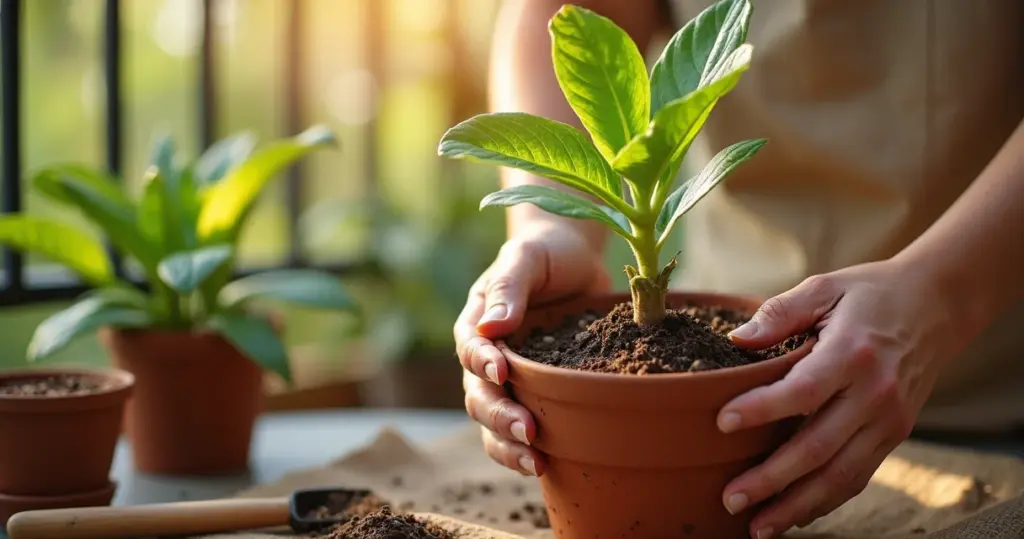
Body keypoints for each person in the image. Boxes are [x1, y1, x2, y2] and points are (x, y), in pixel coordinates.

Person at [454, 0, 1024, 537]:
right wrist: (547, 225)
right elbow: (577, 16)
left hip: (998, 410)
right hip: (754, 359)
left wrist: (941, 296)